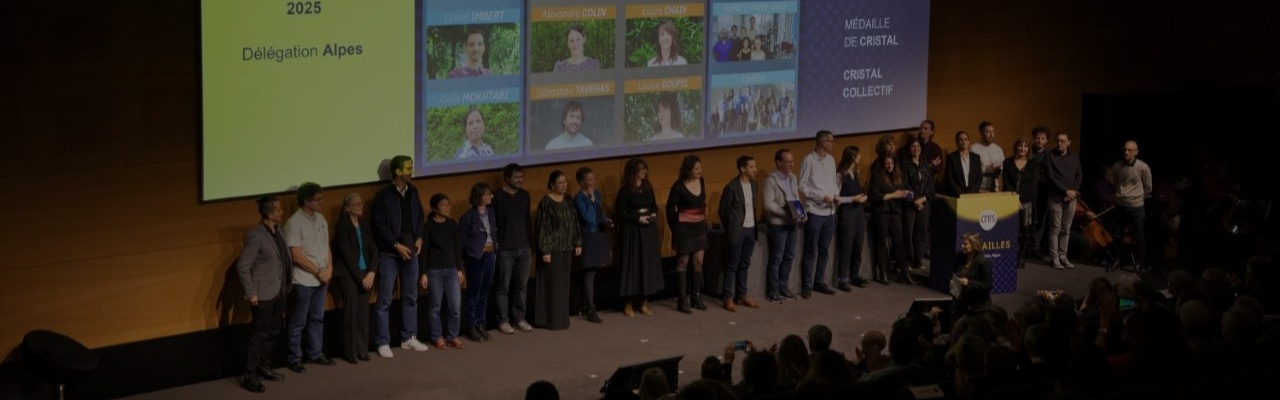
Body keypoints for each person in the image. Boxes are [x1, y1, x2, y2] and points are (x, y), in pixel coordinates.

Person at [370, 156, 429, 357]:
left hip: (411, 251)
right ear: (397, 172)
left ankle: (408, 337)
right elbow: (379, 225)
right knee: (385, 300)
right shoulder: (383, 195)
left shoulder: (413, 191)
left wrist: (419, 237)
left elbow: (420, 216)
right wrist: (396, 246)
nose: (412, 171)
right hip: (389, 254)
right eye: (408, 168)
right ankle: (382, 341)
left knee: (411, 297)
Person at [236, 196, 290, 393]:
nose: (282, 212)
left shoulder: (279, 231)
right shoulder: (256, 236)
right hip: (262, 294)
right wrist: (251, 293)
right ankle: (249, 375)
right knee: (258, 335)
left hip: (279, 291)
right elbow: (243, 266)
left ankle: (263, 367)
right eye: (279, 210)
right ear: (270, 214)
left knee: (273, 331)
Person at [284, 182, 334, 373]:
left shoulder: (321, 218)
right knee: (298, 322)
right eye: (317, 199)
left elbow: (325, 246)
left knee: (317, 318)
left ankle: (315, 353)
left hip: (321, 279)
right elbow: (296, 255)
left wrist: (329, 267)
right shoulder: (293, 223)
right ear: (306, 201)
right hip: (304, 281)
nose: (321, 202)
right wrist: (318, 271)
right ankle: (294, 358)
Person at [332, 192, 378, 363]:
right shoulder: (342, 227)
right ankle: (351, 352)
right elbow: (346, 254)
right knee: (351, 314)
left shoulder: (364, 224)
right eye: (357, 204)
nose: (361, 206)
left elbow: (373, 249)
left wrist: (372, 272)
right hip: (348, 275)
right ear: (347, 208)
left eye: (361, 204)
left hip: (366, 274)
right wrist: (361, 278)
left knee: (363, 313)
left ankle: (362, 349)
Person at [534, 170, 582, 330]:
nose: (563, 185)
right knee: (552, 285)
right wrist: (545, 250)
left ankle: (562, 318)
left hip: (566, 247)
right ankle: (549, 319)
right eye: (560, 183)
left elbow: (574, 221)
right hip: (552, 250)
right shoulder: (546, 203)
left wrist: (578, 242)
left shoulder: (568, 199)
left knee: (563, 285)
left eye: (565, 182)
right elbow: (543, 228)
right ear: (552, 184)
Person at [616, 158, 664, 316]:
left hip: (648, 232)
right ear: (633, 172)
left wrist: (654, 214)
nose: (645, 172)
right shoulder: (625, 191)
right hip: (632, 232)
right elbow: (621, 213)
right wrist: (637, 218)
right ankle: (628, 303)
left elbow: (653, 206)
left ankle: (644, 302)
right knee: (633, 266)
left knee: (646, 266)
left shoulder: (648, 188)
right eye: (641, 169)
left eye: (645, 169)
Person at [420, 193, 466, 350]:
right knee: (435, 307)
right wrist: (424, 273)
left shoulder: (452, 224)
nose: (447, 208)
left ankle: (452, 336)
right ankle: (437, 337)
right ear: (434, 208)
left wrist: (460, 269)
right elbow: (424, 251)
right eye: (443, 205)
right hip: (434, 271)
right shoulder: (428, 226)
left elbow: (456, 248)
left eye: (448, 205)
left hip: (451, 270)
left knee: (455, 306)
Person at [493, 163, 534, 335]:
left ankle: (519, 318)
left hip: (524, 248)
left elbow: (527, 221)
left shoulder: (525, 195)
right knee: (503, 287)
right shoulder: (496, 197)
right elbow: (493, 223)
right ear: (507, 178)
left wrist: (529, 243)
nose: (520, 180)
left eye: (522, 177)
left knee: (521, 286)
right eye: (517, 177)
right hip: (505, 249)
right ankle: (503, 320)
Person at [798, 130, 840, 298]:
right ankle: (807, 285)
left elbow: (833, 182)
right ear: (823, 142)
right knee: (811, 250)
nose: (833, 144)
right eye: (831, 141)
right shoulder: (808, 160)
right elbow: (802, 186)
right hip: (815, 212)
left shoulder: (830, 160)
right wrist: (821, 196)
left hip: (830, 213)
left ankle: (819, 281)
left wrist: (835, 194)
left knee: (824, 250)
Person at [667, 155, 710, 313]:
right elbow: (670, 210)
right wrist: (676, 228)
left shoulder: (702, 181)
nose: (700, 171)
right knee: (683, 262)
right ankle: (682, 299)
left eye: (700, 168)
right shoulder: (678, 186)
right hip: (683, 229)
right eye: (696, 169)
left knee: (698, 261)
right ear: (688, 169)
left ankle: (696, 297)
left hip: (699, 228)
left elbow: (702, 202)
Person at [718, 155, 761, 311]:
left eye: (755, 167)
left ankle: (742, 294)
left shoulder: (754, 185)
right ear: (743, 169)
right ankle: (728, 298)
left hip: (751, 229)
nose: (754, 169)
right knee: (732, 265)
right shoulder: (731, 187)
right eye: (751, 167)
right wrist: (731, 228)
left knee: (745, 263)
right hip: (737, 231)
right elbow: (723, 211)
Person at [763, 149, 805, 303]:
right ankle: (773, 289)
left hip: (792, 224)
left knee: (789, 256)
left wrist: (801, 213)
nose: (791, 164)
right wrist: (785, 214)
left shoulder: (793, 177)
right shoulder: (771, 180)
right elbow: (768, 205)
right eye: (788, 162)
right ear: (779, 162)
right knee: (777, 258)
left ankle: (783, 285)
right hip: (778, 224)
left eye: (792, 161)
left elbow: (795, 198)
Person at [460, 183, 498, 341]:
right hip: (476, 258)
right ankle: (471, 325)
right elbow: (461, 242)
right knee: (473, 294)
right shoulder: (468, 216)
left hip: (490, 255)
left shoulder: (491, 212)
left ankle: (480, 323)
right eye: (487, 194)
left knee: (484, 292)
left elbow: (494, 232)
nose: (490, 197)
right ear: (478, 197)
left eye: (491, 194)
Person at [573, 167, 612, 323]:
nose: (592, 182)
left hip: (599, 235)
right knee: (588, 273)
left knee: (594, 272)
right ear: (581, 182)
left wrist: (606, 220)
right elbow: (588, 217)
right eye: (589, 180)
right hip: (587, 237)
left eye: (593, 179)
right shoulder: (578, 199)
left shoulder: (597, 194)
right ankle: (590, 308)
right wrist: (591, 200)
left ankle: (583, 304)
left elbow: (598, 214)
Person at [869, 157, 915, 285]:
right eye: (887, 163)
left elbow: (903, 192)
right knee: (881, 242)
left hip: (895, 212)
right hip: (882, 212)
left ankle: (904, 272)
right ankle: (882, 273)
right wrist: (894, 195)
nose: (890, 165)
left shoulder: (898, 177)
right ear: (883, 165)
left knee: (899, 242)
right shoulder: (877, 177)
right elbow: (874, 196)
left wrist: (908, 195)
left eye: (892, 163)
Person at [1043, 132, 1084, 270]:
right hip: (1056, 198)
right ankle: (1054, 258)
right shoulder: (1050, 156)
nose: (1060, 143)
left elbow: (1079, 174)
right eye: (1058, 141)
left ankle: (1063, 256)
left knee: (1066, 229)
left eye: (1063, 141)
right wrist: (1066, 191)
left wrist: (1073, 192)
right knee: (1055, 228)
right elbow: (1051, 177)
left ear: (1069, 142)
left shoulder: (1074, 156)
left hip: (1071, 199)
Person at [834, 146, 871, 289]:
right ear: (852, 157)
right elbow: (837, 198)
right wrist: (853, 199)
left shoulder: (856, 172)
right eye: (858, 155)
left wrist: (862, 197)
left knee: (858, 243)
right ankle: (842, 278)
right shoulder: (840, 175)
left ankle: (855, 274)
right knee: (847, 245)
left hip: (859, 212)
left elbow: (858, 193)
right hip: (847, 212)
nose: (860, 157)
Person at [1112, 140, 1153, 270]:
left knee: (1139, 235)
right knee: (1118, 234)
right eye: (1125, 149)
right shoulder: (1117, 166)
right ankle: (1118, 260)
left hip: (1136, 206)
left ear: (1136, 152)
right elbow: (1115, 183)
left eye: (1130, 150)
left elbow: (1148, 187)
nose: (1126, 152)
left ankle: (1139, 262)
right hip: (1120, 205)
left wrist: (1138, 198)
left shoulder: (1143, 167)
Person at [1002, 137, 1041, 269]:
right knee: (1011, 230)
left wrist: (1021, 200)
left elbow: (1033, 184)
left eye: (1025, 146)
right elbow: (1006, 182)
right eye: (1020, 146)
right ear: (1016, 147)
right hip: (1010, 201)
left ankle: (1022, 256)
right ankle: (1010, 255)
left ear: (1028, 149)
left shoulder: (1034, 164)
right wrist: (1014, 199)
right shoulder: (1007, 162)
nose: (1023, 149)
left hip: (1028, 202)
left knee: (1026, 231)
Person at [901, 138, 935, 270]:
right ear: (909, 149)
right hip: (909, 204)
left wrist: (924, 199)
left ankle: (918, 261)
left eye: (918, 146)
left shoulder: (925, 164)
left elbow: (930, 185)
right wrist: (915, 200)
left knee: (921, 232)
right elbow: (903, 185)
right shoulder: (904, 165)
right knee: (908, 232)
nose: (916, 149)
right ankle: (908, 261)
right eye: (913, 146)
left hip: (923, 203)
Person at [951, 232, 993, 319]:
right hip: (961, 305)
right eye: (962, 243)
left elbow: (987, 285)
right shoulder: (959, 257)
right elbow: (954, 273)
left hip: (977, 308)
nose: (962, 246)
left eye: (965, 244)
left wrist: (969, 283)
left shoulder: (983, 262)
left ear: (974, 245)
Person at [944, 131, 982, 196]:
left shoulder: (976, 158)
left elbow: (979, 177)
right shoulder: (951, 157)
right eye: (960, 140)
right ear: (957, 142)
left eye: (965, 139)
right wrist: (960, 193)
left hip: (973, 193)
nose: (964, 142)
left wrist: (973, 191)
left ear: (969, 141)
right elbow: (949, 178)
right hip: (956, 194)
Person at [970, 121, 1005, 192]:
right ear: (981, 133)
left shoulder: (998, 149)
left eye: (993, 131)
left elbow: (1003, 168)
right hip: (979, 189)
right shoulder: (974, 148)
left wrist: (999, 170)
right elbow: (970, 169)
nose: (991, 134)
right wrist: (985, 169)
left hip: (995, 189)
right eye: (988, 132)